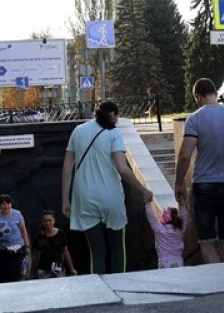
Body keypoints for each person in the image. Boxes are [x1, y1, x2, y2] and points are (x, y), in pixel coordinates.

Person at [62, 100, 154, 274]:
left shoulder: (78, 131)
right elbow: (122, 169)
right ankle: (121, 286)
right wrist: (144, 190)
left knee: (96, 252)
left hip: (84, 196)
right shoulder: (114, 133)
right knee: (118, 246)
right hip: (110, 196)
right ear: (113, 115)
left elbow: (67, 167)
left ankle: (100, 291)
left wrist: (65, 200)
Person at [174, 77, 224, 263]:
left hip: (204, 187)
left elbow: (185, 155)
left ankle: (219, 282)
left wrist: (179, 183)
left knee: (206, 241)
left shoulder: (195, 119)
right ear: (215, 94)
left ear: (197, 96)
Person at [0, 193, 30, 283]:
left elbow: (23, 231)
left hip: (16, 249)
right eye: (3, 204)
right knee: (2, 276)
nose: (6, 206)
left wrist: (27, 246)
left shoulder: (17, 214)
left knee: (16, 275)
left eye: (8, 203)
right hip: (0, 250)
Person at [30, 210, 77, 278]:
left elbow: (66, 253)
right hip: (43, 269)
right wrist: (32, 272)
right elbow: (35, 256)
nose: (48, 223)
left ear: (54, 221)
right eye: (45, 221)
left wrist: (71, 269)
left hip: (58, 267)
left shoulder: (61, 234)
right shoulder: (38, 237)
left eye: (49, 220)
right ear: (42, 222)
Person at [144, 201, 188, 269]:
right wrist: (181, 205)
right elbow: (185, 218)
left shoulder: (160, 230)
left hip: (164, 262)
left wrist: (147, 203)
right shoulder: (180, 230)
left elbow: (151, 217)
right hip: (178, 261)